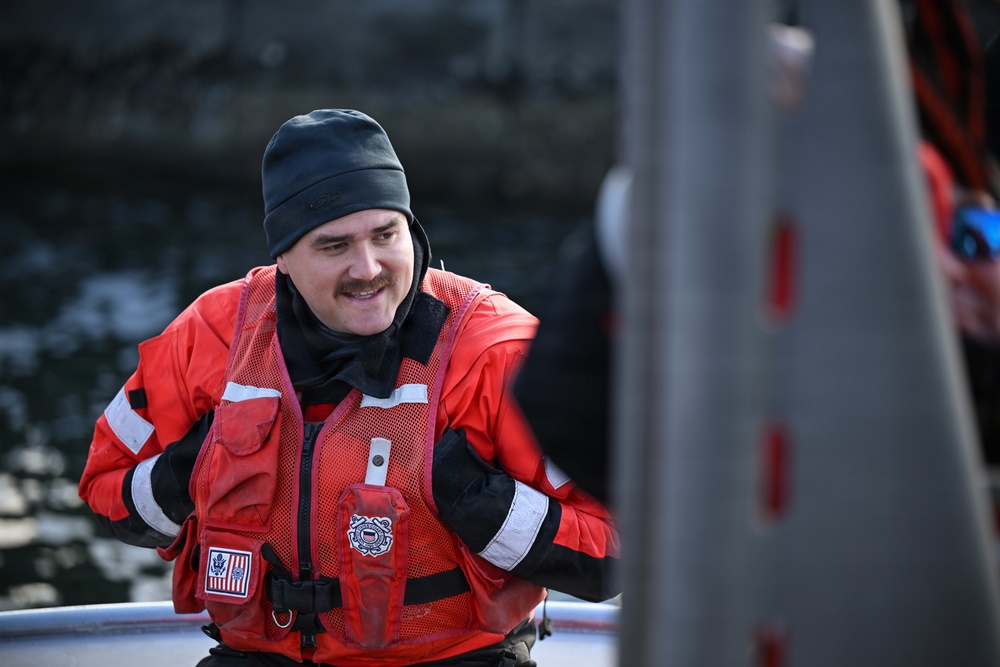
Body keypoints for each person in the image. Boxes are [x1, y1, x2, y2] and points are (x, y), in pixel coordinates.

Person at [77, 109, 620, 667]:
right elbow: (105, 489)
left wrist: (482, 504)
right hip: (257, 655)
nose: (367, 268)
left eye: (386, 235)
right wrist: (186, 474)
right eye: (334, 246)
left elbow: (617, 552)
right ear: (283, 258)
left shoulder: (496, 353)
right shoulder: (211, 336)